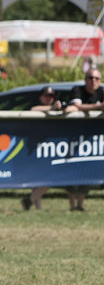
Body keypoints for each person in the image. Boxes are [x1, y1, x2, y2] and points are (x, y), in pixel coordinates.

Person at [62, 68, 104, 211]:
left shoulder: (101, 92)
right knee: (72, 172)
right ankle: (72, 205)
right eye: (91, 78)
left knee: (87, 172)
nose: (94, 81)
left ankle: (80, 205)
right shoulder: (77, 90)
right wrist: (98, 107)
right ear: (85, 80)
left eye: (97, 79)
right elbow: (73, 108)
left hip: (91, 140)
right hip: (72, 137)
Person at [21, 86, 63, 211]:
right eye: (46, 95)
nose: (48, 98)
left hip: (51, 147)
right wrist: (51, 108)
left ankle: (30, 201)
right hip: (34, 147)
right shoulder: (37, 106)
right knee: (38, 178)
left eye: (51, 96)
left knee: (49, 178)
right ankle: (36, 205)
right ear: (40, 97)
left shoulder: (57, 109)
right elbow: (33, 110)